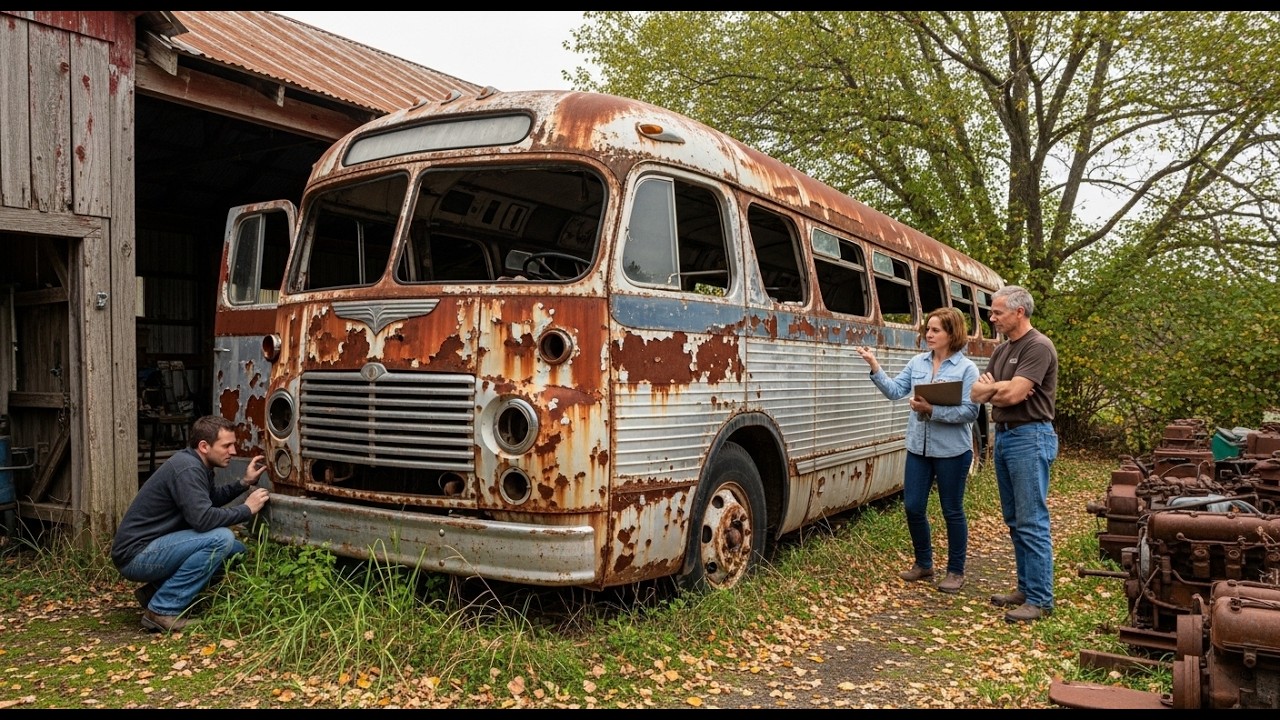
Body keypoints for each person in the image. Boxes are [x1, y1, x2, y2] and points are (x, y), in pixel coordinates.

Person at [856, 307, 979, 594]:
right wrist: (874, 365)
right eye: (928, 329)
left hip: (952, 451)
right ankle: (924, 564)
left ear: (952, 333)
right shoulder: (918, 362)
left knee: (952, 510)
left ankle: (955, 571)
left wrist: (932, 410)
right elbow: (896, 391)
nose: (929, 334)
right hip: (918, 448)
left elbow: (970, 412)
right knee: (912, 507)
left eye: (936, 330)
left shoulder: (966, 369)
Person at [111, 415, 269, 632]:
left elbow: (208, 500)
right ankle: (162, 611)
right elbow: (203, 520)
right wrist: (247, 509)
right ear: (204, 446)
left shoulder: (197, 464)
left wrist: (244, 483)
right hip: (136, 556)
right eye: (227, 445)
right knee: (221, 538)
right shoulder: (187, 469)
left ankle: (155, 593)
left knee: (236, 551)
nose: (233, 451)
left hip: (154, 548)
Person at [970, 285, 1059, 623]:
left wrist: (996, 389)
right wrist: (996, 390)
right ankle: (1025, 587)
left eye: (997, 312)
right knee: (1014, 520)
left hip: (1030, 436)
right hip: (1006, 438)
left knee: (1032, 520)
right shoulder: (1002, 349)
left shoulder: (1038, 346)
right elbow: (978, 392)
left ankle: (1040, 599)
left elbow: (1014, 395)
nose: (991, 318)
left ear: (1019, 312)